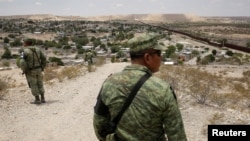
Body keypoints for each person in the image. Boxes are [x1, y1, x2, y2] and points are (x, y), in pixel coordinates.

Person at [93, 33, 187, 141]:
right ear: (147, 57)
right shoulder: (163, 90)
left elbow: (99, 126)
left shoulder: (109, 83)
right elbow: (177, 136)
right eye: (158, 53)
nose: (161, 57)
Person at [18, 38, 47, 104]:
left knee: (33, 84)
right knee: (40, 83)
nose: (23, 43)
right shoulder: (38, 49)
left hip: (30, 71)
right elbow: (44, 59)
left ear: (26, 43)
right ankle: (43, 98)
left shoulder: (23, 51)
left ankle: (37, 99)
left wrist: (24, 69)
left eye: (24, 42)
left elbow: (22, 61)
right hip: (39, 69)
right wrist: (42, 67)